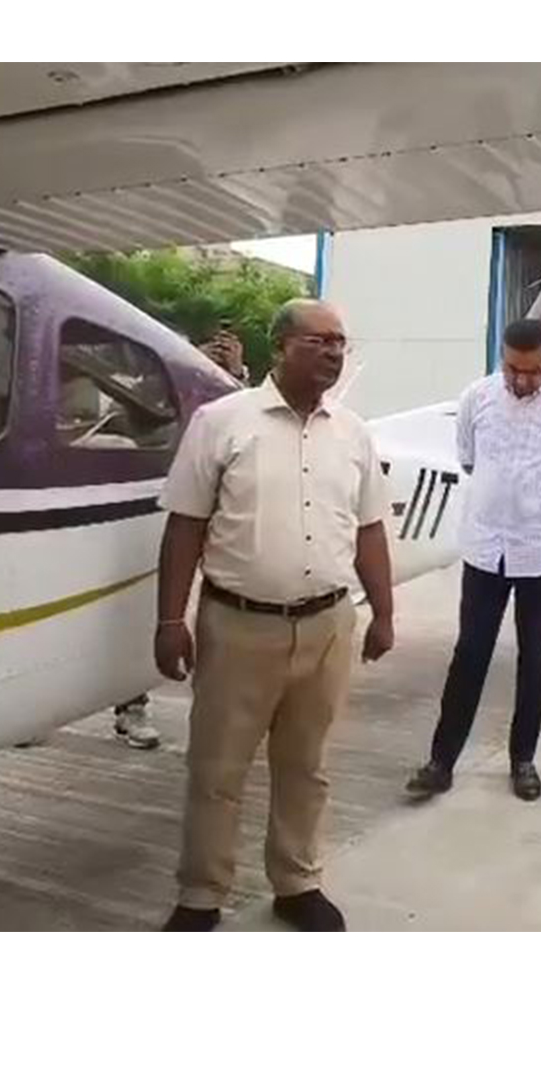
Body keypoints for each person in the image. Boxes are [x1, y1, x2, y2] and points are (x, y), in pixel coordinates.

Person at [154, 299, 395, 932]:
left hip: (328, 625)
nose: (335, 352)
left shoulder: (354, 434)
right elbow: (185, 526)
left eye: (341, 342)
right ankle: (202, 893)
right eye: (320, 341)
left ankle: (296, 880)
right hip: (238, 625)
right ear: (280, 346)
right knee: (216, 768)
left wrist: (385, 614)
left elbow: (370, 531)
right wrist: (170, 620)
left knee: (306, 765)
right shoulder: (221, 422)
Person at [406, 319, 541, 802]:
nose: (521, 380)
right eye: (512, 368)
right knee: (469, 653)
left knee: (535, 658)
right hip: (484, 547)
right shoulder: (477, 397)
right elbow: (469, 461)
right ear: (502, 358)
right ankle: (441, 760)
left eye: (532, 372)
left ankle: (523, 760)